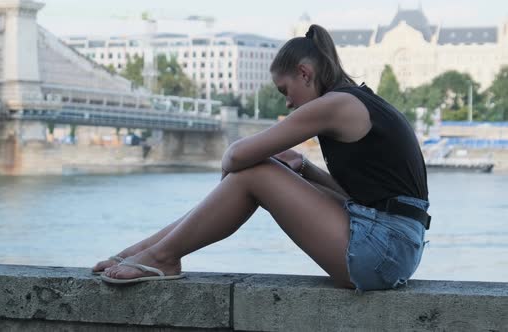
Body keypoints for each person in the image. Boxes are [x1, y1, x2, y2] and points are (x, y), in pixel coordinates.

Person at [92, 24, 430, 291]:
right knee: (255, 173)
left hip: (385, 250)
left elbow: (236, 155)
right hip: (393, 246)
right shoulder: (356, 100)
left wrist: (237, 169)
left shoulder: (335, 105)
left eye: (285, 90)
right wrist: (304, 169)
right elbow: (358, 200)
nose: (287, 103)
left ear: (305, 73)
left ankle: (161, 256)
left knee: (254, 173)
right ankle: (144, 252)